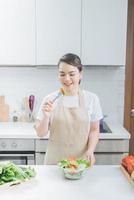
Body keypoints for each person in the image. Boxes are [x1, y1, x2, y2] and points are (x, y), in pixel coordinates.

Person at [35, 53, 103, 166]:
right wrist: (46, 116)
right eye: (62, 74)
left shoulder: (92, 99)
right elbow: (40, 133)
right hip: (54, 164)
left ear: (80, 74)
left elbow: (94, 130)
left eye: (72, 74)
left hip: (80, 163)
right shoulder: (50, 99)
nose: (67, 79)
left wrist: (90, 150)